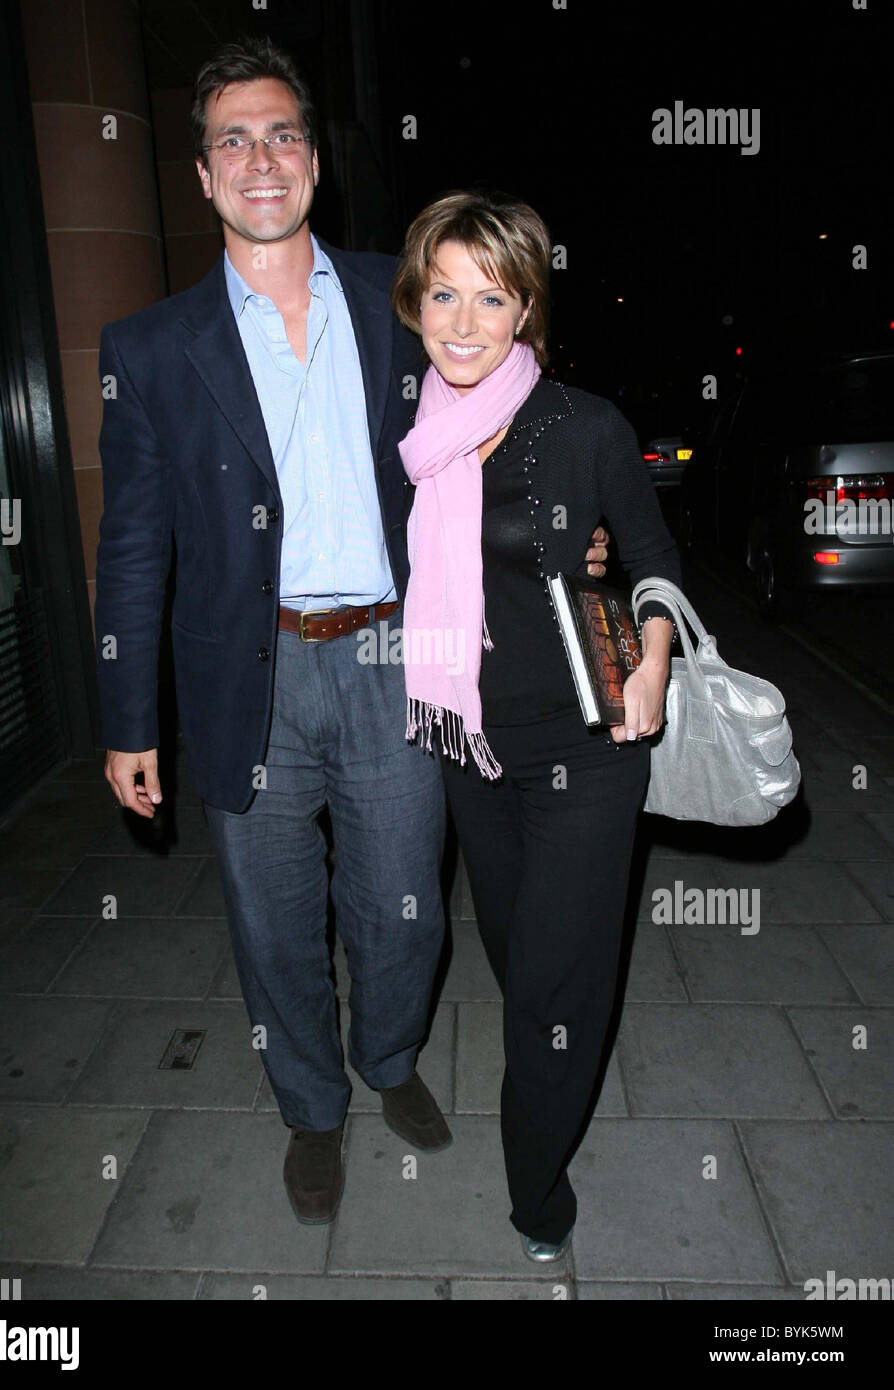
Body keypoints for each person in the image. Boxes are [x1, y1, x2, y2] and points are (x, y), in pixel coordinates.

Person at [93, 38, 613, 1227]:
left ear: (315, 163)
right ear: (201, 173)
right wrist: (129, 722)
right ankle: (311, 1107)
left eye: (281, 135)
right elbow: (131, 544)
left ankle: (387, 1059)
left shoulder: (400, 301)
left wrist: (578, 535)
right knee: (273, 916)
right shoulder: (150, 348)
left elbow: (505, 417)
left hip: (397, 657)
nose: (259, 159)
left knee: (401, 901)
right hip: (248, 674)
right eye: (232, 139)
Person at [390, 190, 682, 1261]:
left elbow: (650, 554)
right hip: (474, 741)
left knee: (553, 984)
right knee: (519, 952)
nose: (463, 323)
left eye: (491, 298)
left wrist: (651, 655)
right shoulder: (418, 430)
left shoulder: (583, 424)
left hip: (588, 741)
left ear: (525, 311)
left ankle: (535, 1190)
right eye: (444, 294)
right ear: (417, 301)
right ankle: (559, 1037)